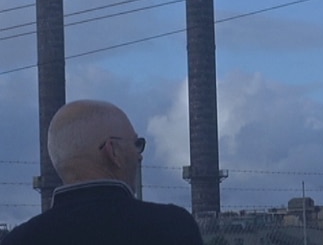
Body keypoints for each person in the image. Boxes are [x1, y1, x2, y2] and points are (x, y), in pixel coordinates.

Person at [3, 100, 204, 245]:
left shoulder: (20, 239)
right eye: (136, 144)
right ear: (112, 152)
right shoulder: (170, 227)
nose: (139, 156)